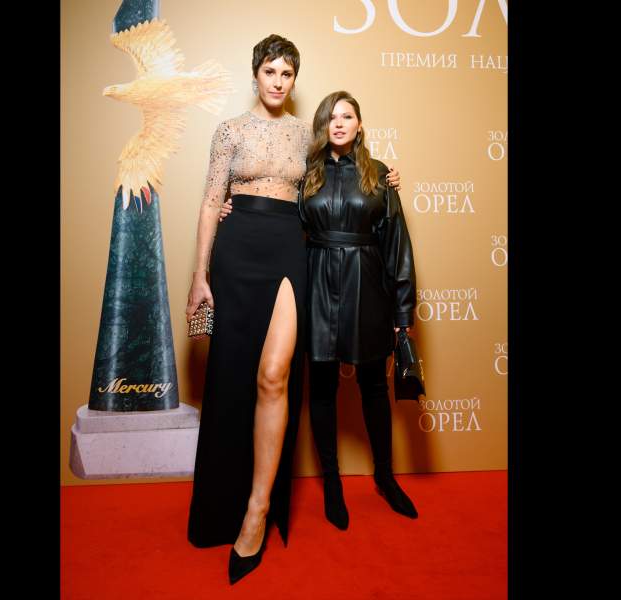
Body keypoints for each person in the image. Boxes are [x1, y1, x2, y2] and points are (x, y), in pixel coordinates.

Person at [185, 37, 400, 584]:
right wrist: (199, 275)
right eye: (270, 71)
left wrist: (388, 177)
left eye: (287, 73)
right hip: (237, 251)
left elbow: (348, 166)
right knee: (232, 379)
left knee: (275, 375)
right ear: (255, 74)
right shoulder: (229, 130)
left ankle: (258, 510)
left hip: (288, 249)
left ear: (295, 80)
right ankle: (225, 503)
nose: (278, 81)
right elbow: (211, 200)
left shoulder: (308, 135)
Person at [299, 91, 419, 531]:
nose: (339, 123)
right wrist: (232, 209)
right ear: (322, 126)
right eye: (331, 117)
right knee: (322, 387)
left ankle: (385, 476)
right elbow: (278, 223)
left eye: (347, 116)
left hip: (368, 287)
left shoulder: (380, 174)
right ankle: (332, 483)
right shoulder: (305, 175)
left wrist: (402, 313)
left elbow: (397, 243)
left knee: (373, 386)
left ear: (359, 124)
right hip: (317, 285)